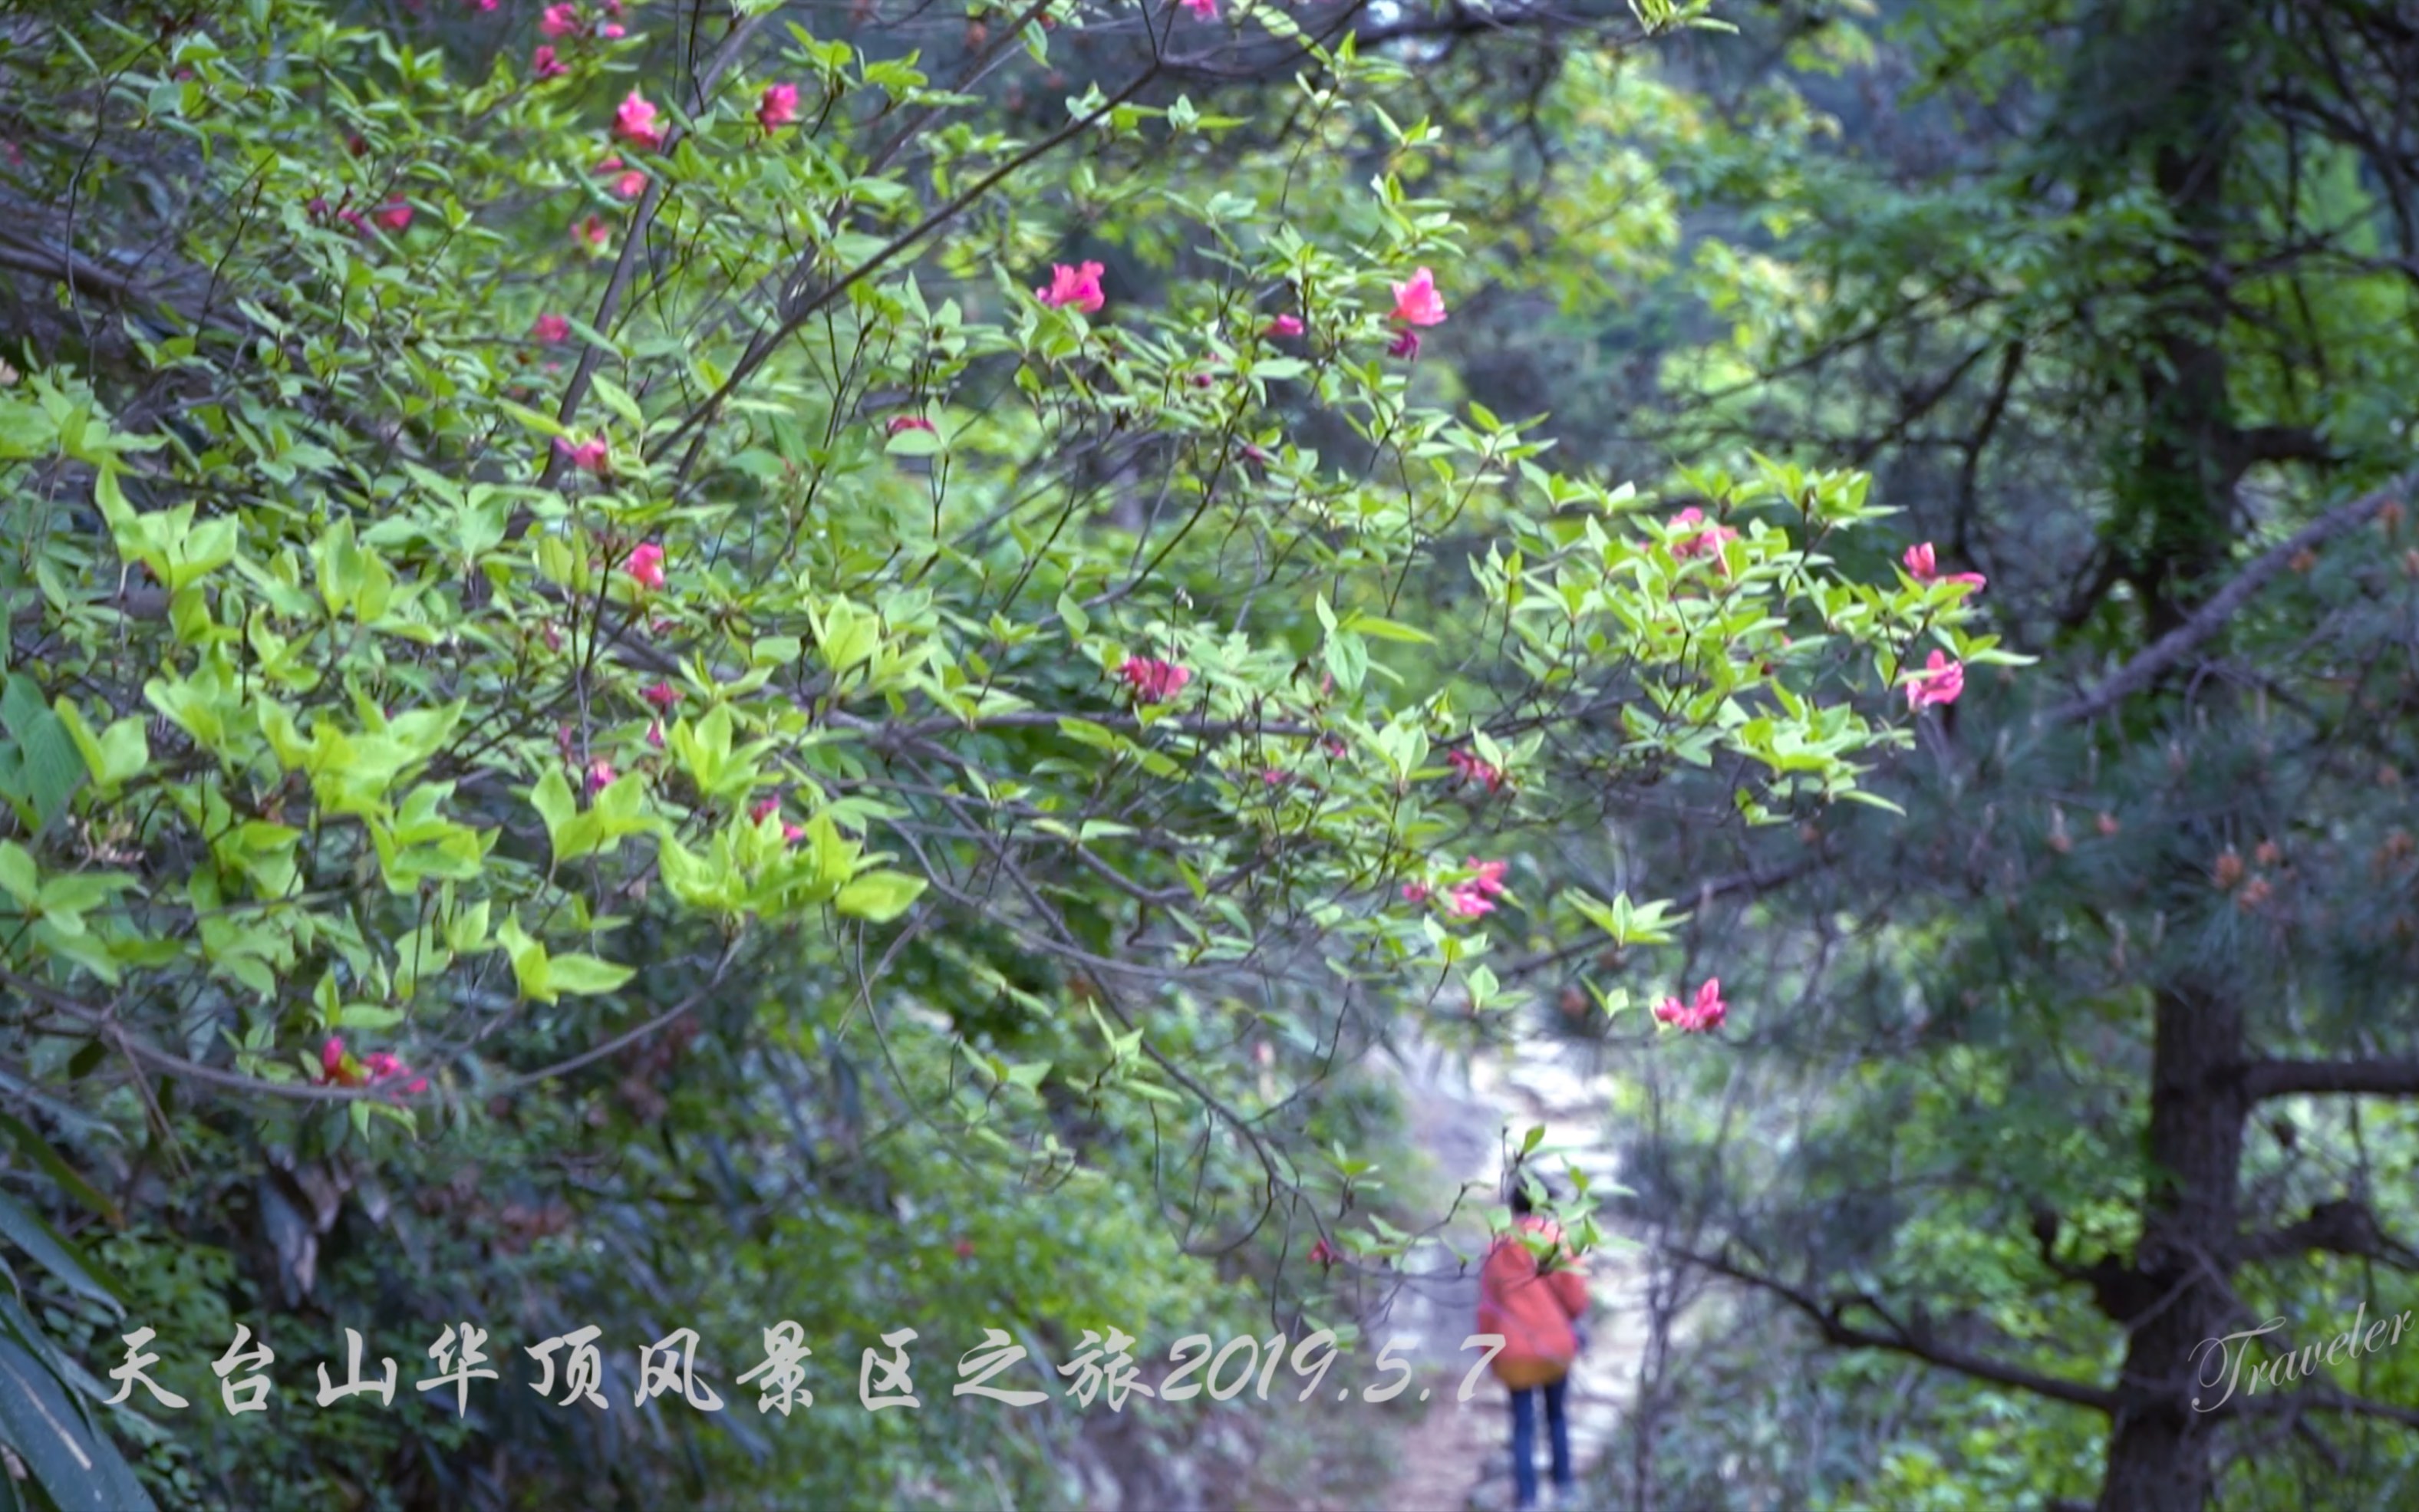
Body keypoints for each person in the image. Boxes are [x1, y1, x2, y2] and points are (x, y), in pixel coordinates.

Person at [1477, 1175, 1590, 1510]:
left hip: (1513, 1348)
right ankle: (1564, 1488)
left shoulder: (1497, 1247)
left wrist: (1488, 1352)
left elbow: (1488, 1305)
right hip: (1554, 1347)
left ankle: (1526, 1499)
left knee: (1522, 1425)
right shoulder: (1558, 1241)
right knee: (1557, 1416)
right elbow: (1577, 1299)